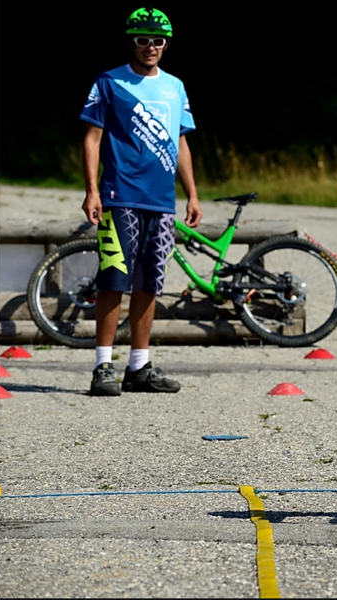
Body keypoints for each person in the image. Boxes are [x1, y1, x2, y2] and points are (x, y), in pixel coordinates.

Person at [80, 7, 203, 396]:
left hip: (161, 201)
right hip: (121, 196)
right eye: (142, 39)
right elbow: (92, 138)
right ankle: (103, 366)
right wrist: (92, 190)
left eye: (158, 40)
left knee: (150, 282)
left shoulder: (175, 87)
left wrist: (193, 194)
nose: (150, 47)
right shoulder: (110, 82)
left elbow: (181, 142)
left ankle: (139, 365)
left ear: (167, 44)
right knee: (114, 280)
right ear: (131, 41)